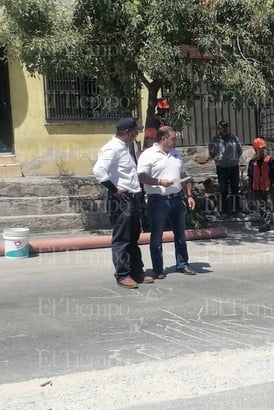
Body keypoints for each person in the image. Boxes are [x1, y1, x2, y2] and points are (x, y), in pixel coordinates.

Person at [92, 117, 154, 289]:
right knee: (122, 239)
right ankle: (122, 274)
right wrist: (114, 190)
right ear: (127, 132)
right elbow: (99, 171)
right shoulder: (112, 148)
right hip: (121, 200)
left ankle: (136, 272)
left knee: (133, 237)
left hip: (132, 198)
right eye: (135, 131)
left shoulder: (126, 147)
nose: (136, 134)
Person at [137, 125, 197, 278]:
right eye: (173, 139)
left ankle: (183, 264)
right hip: (157, 200)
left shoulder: (176, 154)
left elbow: (183, 175)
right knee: (157, 236)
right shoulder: (148, 154)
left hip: (176, 199)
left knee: (180, 234)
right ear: (163, 139)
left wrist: (188, 195)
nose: (175, 141)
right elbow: (141, 176)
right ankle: (158, 269)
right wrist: (159, 182)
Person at [206, 120, 243, 214]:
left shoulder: (234, 138)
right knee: (223, 190)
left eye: (226, 127)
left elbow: (239, 151)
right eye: (223, 127)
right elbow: (211, 153)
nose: (225, 129)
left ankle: (236, 210)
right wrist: (219, 160)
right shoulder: (215, 140)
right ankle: (224, 211)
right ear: (219, 129)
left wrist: (233, 159)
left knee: (235, 189)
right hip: (222, 168)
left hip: (234, 167)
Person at [247, 137, 274, 232]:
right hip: (257, 188)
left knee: (269, 205)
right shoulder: (252, 162)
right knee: (261, 206)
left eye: (262, 149)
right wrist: (250, 188)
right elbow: (250, 176)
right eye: (259, 149)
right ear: (255, 149)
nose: (261, 151)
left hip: (268, 187)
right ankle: (266, 222)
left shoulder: (269, 160)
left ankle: (269, 223)